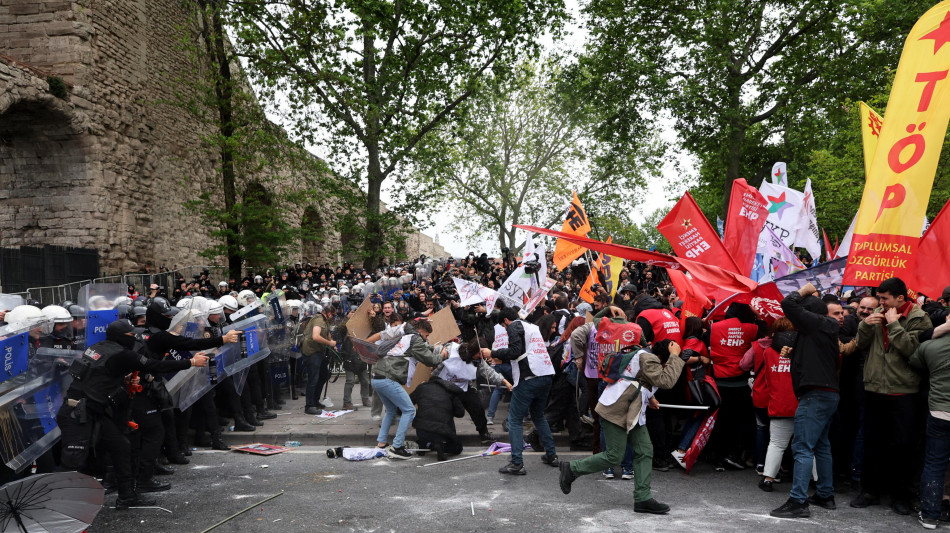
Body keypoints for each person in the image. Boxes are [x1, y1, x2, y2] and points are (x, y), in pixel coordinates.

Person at [57, 320, 208, 510]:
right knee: (73, 461)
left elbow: (101, 375)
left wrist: (124, 379)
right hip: (77, 412)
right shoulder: (123, 354)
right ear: (121, 337)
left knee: (122, 448)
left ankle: (127, 497)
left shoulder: (97, 347)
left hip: (97, 410)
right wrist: (192, 362)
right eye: (131, 335)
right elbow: (154, 365)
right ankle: (61, 507)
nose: (135, 338)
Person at [558, 330, 685, 515]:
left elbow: (637, 379)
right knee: (614, 456)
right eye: (665, 362)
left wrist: (649, 398)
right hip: (616, 410)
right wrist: (675, 357)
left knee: (644, 451)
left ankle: (643, 499)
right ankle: (571, 469)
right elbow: (666, 380)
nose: (665, 365)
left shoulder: (646, 356)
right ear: (660, 357)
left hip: (631, 411)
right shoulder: (648, 358)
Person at [851, 277, 932, 515]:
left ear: (900, 298)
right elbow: (861, 344)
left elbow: (912, 350)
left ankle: (901, 495)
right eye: (879, 298)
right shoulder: (876, 312)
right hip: (875, 388)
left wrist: (894, 325)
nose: (880, 303)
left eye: (885, 298)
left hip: (904, 391)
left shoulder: (919, 318)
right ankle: (870, 491)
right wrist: (866, 324)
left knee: (903, 446)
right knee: (872, 441)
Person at [770, 283, 840, 519]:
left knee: (802, 447)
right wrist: (795, 352)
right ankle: (825, 494)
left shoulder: (816, 324)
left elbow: (788, 304)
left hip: (815, 395)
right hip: (827, 394)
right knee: (821, 446)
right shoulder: (821, 328)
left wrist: (804, 290)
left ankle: (798, 501)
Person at [484, 307, 559, 475]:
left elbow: (515, 351)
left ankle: (516, 463)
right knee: (538, 416)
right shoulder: (531, 326)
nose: (505, 330)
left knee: (515, 421)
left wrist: (493, 352)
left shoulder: (513, 326)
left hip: (529, 378)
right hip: (546, 375)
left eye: (504, 327)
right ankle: (552, 455)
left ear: (505, 321)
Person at [373, 320, 445, 459]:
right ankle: (397, 447)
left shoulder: (405, 337)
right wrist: (442, 355)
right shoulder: (416, 339)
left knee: (391, 411)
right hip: (388, 379)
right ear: (421, 331)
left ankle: (381, 443)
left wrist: (432, 348)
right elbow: (431, 361)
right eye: (426, 335)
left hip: (377, 377)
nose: (426, 338)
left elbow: (419, 350)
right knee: (409, 410)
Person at [910, 316, 950, 529]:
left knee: (935, 463)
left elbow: (914, 361)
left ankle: (930, 515)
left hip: (940, 411)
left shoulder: (930, 346)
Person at [301, 304, 339, 415]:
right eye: (333, 315)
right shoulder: (319, 320)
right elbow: (316, 336)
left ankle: (315, 401)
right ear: (328, 313)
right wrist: (329, 343)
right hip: (311, 352)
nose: (333, 318)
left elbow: (327, 334)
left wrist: (332, 344)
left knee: (324, 375)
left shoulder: (324, 320)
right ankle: (309, 406)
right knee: (313, 378)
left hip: (318, 352)